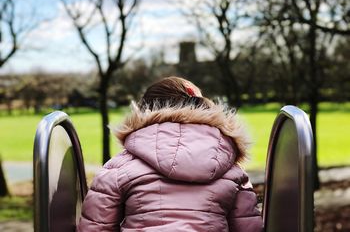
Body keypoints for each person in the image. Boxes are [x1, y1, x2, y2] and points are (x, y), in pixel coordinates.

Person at [77, 76, 263, 232]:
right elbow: (248, 228)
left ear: (143, 111)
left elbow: (95, 228)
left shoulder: (119, 168)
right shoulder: (231, 171)